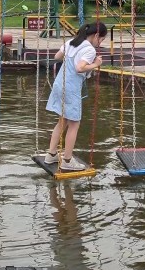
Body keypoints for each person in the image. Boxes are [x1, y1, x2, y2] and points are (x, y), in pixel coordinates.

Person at [44, 21, 107, 171]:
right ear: (97, 35)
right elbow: (80, 68)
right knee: (74, 124)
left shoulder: (72, 42)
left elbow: (57, 56)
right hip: (71, 88)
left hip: (60, 84)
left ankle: (51, 154)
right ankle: (67, 160)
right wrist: (96, 64)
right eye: (102, 39)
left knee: (62, 121)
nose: (100, 43)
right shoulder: (90, 50)